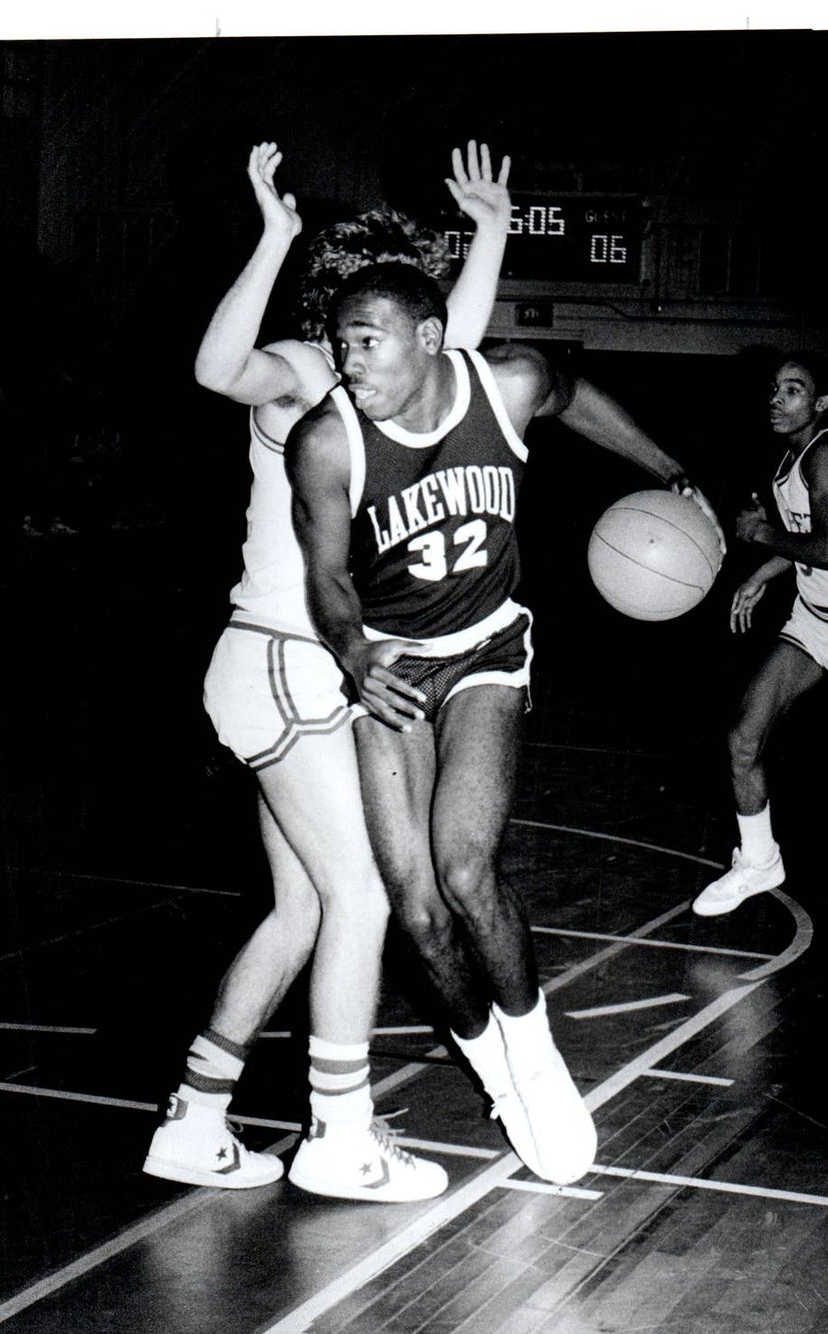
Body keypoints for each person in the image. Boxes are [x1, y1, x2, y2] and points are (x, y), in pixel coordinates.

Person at [287, 262, 723, 1185]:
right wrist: (352, 653)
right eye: (338, 341)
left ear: (429, 337)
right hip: (390, 662)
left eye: (365, 339)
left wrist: (669, 471)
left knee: (462, 864)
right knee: (414, 904)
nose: (345, 358)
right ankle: (493, 1070)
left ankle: (537, 1058)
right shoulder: (327, 441)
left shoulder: (510, 384)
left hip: (486, 648)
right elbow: (326, 577)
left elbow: (575, 397)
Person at [143, 141, 513, 1203]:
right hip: (283, 659)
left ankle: (196, 1117)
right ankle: (340, 1133)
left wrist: (490, 233)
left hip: (277, 667)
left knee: (302, 906)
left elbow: (461, 341)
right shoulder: (309, 371)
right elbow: (216, 370)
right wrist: (268, 236)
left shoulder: (385, 371)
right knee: (361, 893)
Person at [691, 353, 828, 921]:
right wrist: (760, 576)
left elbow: (827, 550)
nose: (777, 399)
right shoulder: (790, 461)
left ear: (820, 405)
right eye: (774, 389)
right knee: (744, 737)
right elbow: (803, 543)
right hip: (813, 623)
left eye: (793, 391)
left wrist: (759, 533)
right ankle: (760, 859)